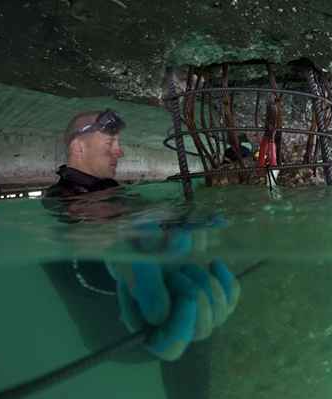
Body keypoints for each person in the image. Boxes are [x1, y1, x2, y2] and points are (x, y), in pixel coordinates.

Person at [41, 109, 240, 398]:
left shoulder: (115, 196)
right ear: (78, 147)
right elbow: (83, 234)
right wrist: (122, 261)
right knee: (187, 319)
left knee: (189, 317)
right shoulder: (61, 203)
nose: (119, 152)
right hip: (119, 339)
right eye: (110, 144)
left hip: (141, 332)